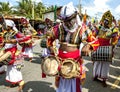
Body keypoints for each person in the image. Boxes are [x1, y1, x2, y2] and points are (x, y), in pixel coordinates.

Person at [44, 2, 99, 92]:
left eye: (70, 20)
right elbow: (49, 39)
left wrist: (89, 45)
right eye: (65, 21)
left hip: (75, 61)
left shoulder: (83, 29)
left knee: (74, 82)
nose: (68, 23)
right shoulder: (58, 28)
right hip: (60, 60)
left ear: (75, 17)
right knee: (61, 83)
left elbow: (95, 42)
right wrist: (50, 47)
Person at [91, 11, 119, 87]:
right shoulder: (98, 27)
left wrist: (112, 46)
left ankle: (104, 79)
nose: (106, 22)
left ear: (110, 22)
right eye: (105, 20)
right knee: (96, 63)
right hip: (98, 47)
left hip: (107, 48)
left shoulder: (112, 29)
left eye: (107, 20)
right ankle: (95, 76)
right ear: (103, 20)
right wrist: (93, 44)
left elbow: (115, 38)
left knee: (105, 65)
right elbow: (92, 36)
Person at [1, 19, 25, 92]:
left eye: (5, 25)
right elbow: (4, 43)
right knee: (10, 69)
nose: (4, 26)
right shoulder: (5, 34)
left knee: (16, 69)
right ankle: (14, 82)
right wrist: (2, 45)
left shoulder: (15, 33)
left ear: (9, 26)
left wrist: (15, 40)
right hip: (7, 51)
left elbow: (25, 38)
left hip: (15, 53)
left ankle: (21, 83)